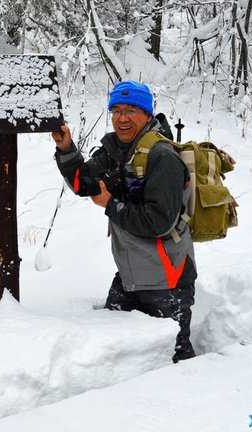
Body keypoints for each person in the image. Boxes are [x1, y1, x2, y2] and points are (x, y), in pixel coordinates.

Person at [51, 81, 197, 363]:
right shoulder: (114, 150)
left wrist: (111, 205)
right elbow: (84, 184)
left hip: (167, 280)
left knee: (175, 362)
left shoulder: (162, 156)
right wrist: (66, 148)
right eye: (116, 110)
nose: (122, 118)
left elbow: (158, 223)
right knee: (118, 357)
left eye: (131, 110)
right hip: (130, 275)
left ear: (146, 114)